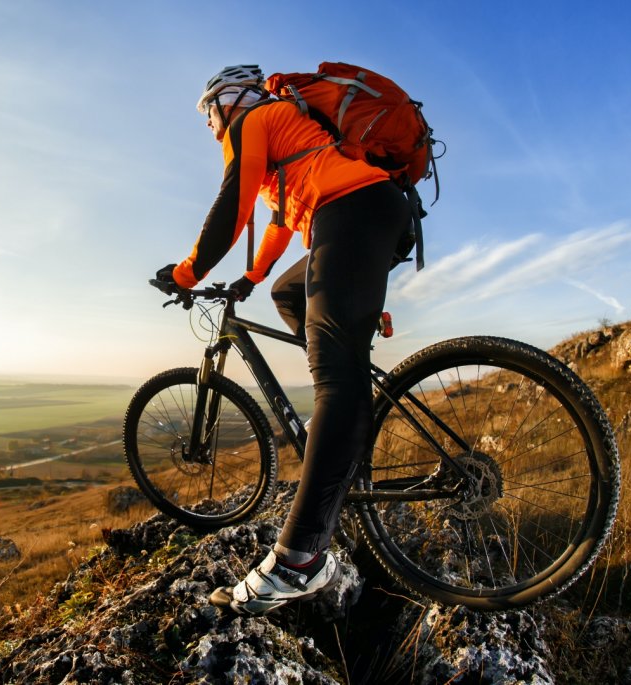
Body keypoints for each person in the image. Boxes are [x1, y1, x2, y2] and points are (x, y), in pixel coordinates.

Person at [155, 64, 413, 615]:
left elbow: (232, 207)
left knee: (335, 386)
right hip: (365, 214)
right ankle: (348, 389)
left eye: (208, 113)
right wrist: (249, 279)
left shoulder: (257, 120)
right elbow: (278, 222)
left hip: (354, 213)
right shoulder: (289, 133)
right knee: (288, 294)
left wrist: (185, 274)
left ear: (228, 101)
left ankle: (301, 561)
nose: (209, 126)